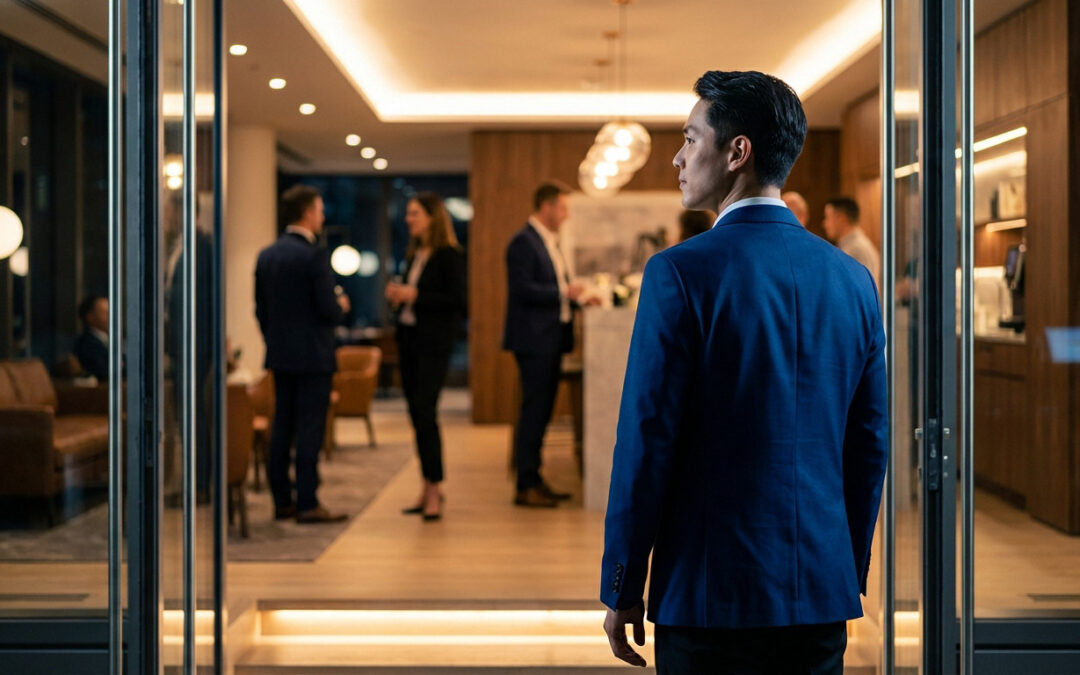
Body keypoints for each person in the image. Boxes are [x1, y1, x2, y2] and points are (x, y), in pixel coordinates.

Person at [600, 70, 888, 674]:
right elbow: (868, 444)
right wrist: (842, 567)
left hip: (709, 598)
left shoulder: (679, 273)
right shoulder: (853, 280)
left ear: (737, 152)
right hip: (819, 593)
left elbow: (647, 441)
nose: (677, 158)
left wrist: (624, 582)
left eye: (689, 138)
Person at [255, 184, 350, 524]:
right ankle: (308, 501)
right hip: (313, 358)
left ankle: (282, 500)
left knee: (282, 426)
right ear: (308, 213)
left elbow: (261, 311)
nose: (322, 217)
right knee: (310, 429)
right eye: (321, 210)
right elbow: (327, 309)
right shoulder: (313, 255)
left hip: (281, 355)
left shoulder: (267, 255)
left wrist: (274, 340)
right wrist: (340, 306)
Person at [503, 180, 585, 508]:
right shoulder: (523, 242)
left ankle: (535, 478)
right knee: (534, 413)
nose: (566, 215)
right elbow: (522, 289)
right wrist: (565, 294)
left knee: (541, 412)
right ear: (546, 206)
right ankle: (526, 484)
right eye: (563, 207)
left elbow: (553, 288)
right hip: (534, 340)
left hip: (550, 339)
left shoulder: (547, 241)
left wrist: (577, 300)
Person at [386, 192, 466, 522]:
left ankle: (434, 488)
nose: (408, 219)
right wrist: (398, 296)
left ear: (432, 217)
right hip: (409, 342)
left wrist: (414, 294)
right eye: (407, 213)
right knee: (416, 416)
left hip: (433, 345)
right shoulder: (414, 254)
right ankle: (427, 484)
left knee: (426, 414)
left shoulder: (449, 255)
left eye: (415, 213)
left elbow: (455, 301)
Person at [823, 196, 881, 288]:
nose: (824, 224)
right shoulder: (853, 246)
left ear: (841, 218)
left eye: (827, 217)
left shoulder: (856, 249)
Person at [73, 295, 109, 381]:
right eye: (105, 313)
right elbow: (103, 372)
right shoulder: (87, 343)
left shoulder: (109, 339)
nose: (111, 317)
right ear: (90, 317)